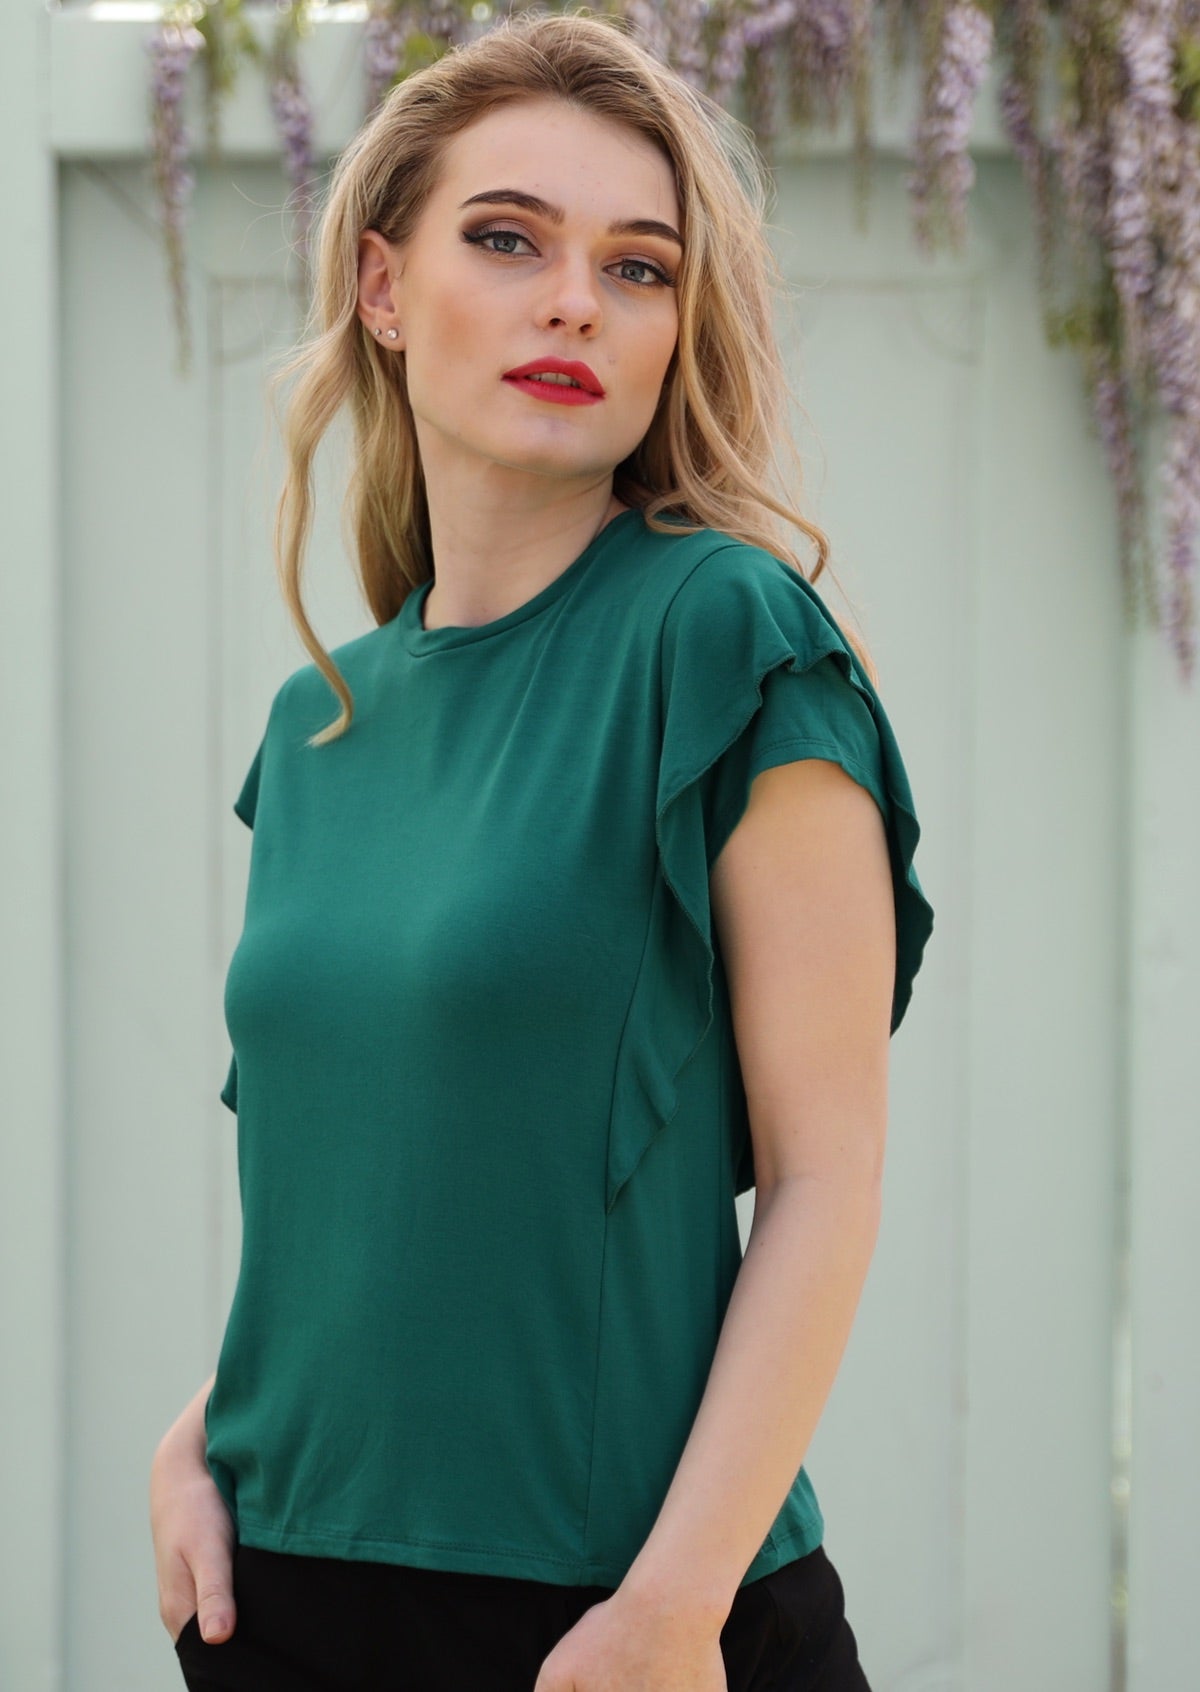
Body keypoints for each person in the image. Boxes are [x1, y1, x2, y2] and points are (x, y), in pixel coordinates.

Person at [149, 9, 935, 1690]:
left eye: (637, 267)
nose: (575, 298)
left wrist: (675, 1603)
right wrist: (200, 1434)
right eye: (506, 239)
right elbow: (384, 1186)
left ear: (671, 331)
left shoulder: (729, 637)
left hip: (616, 1627)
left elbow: (826, 1177)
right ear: (381, 286)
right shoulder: (318, 727)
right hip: (277, 1593)